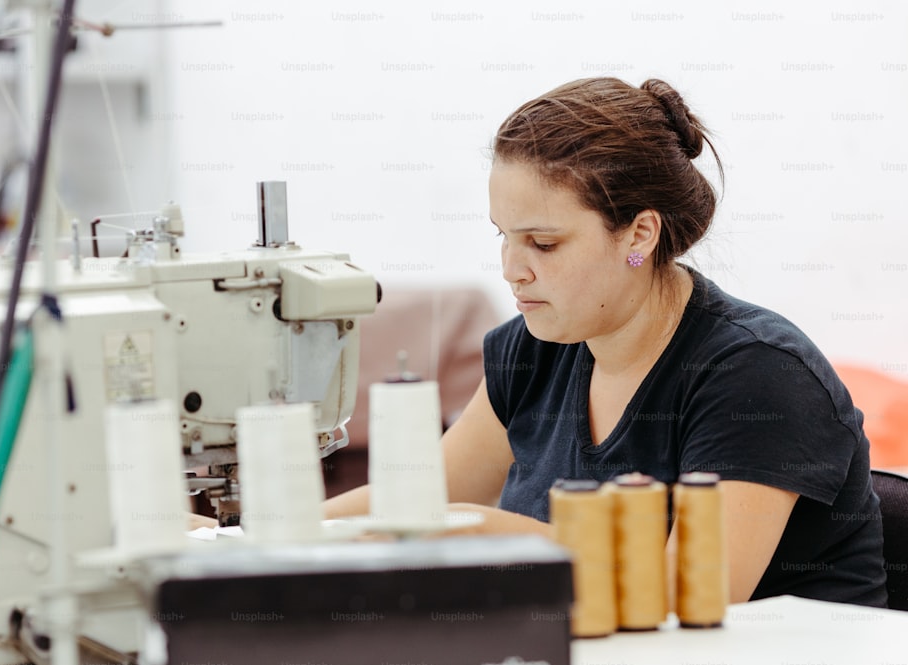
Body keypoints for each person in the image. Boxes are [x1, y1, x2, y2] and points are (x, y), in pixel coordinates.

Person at [325, 77, 888, 608]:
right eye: (504, 236)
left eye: (543, 243)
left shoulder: (758, 376)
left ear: (640, 234)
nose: (511, 270)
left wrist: (492, 532)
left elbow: (685, 599)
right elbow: (416, 497)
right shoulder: (533, 350)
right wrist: (271, 535)